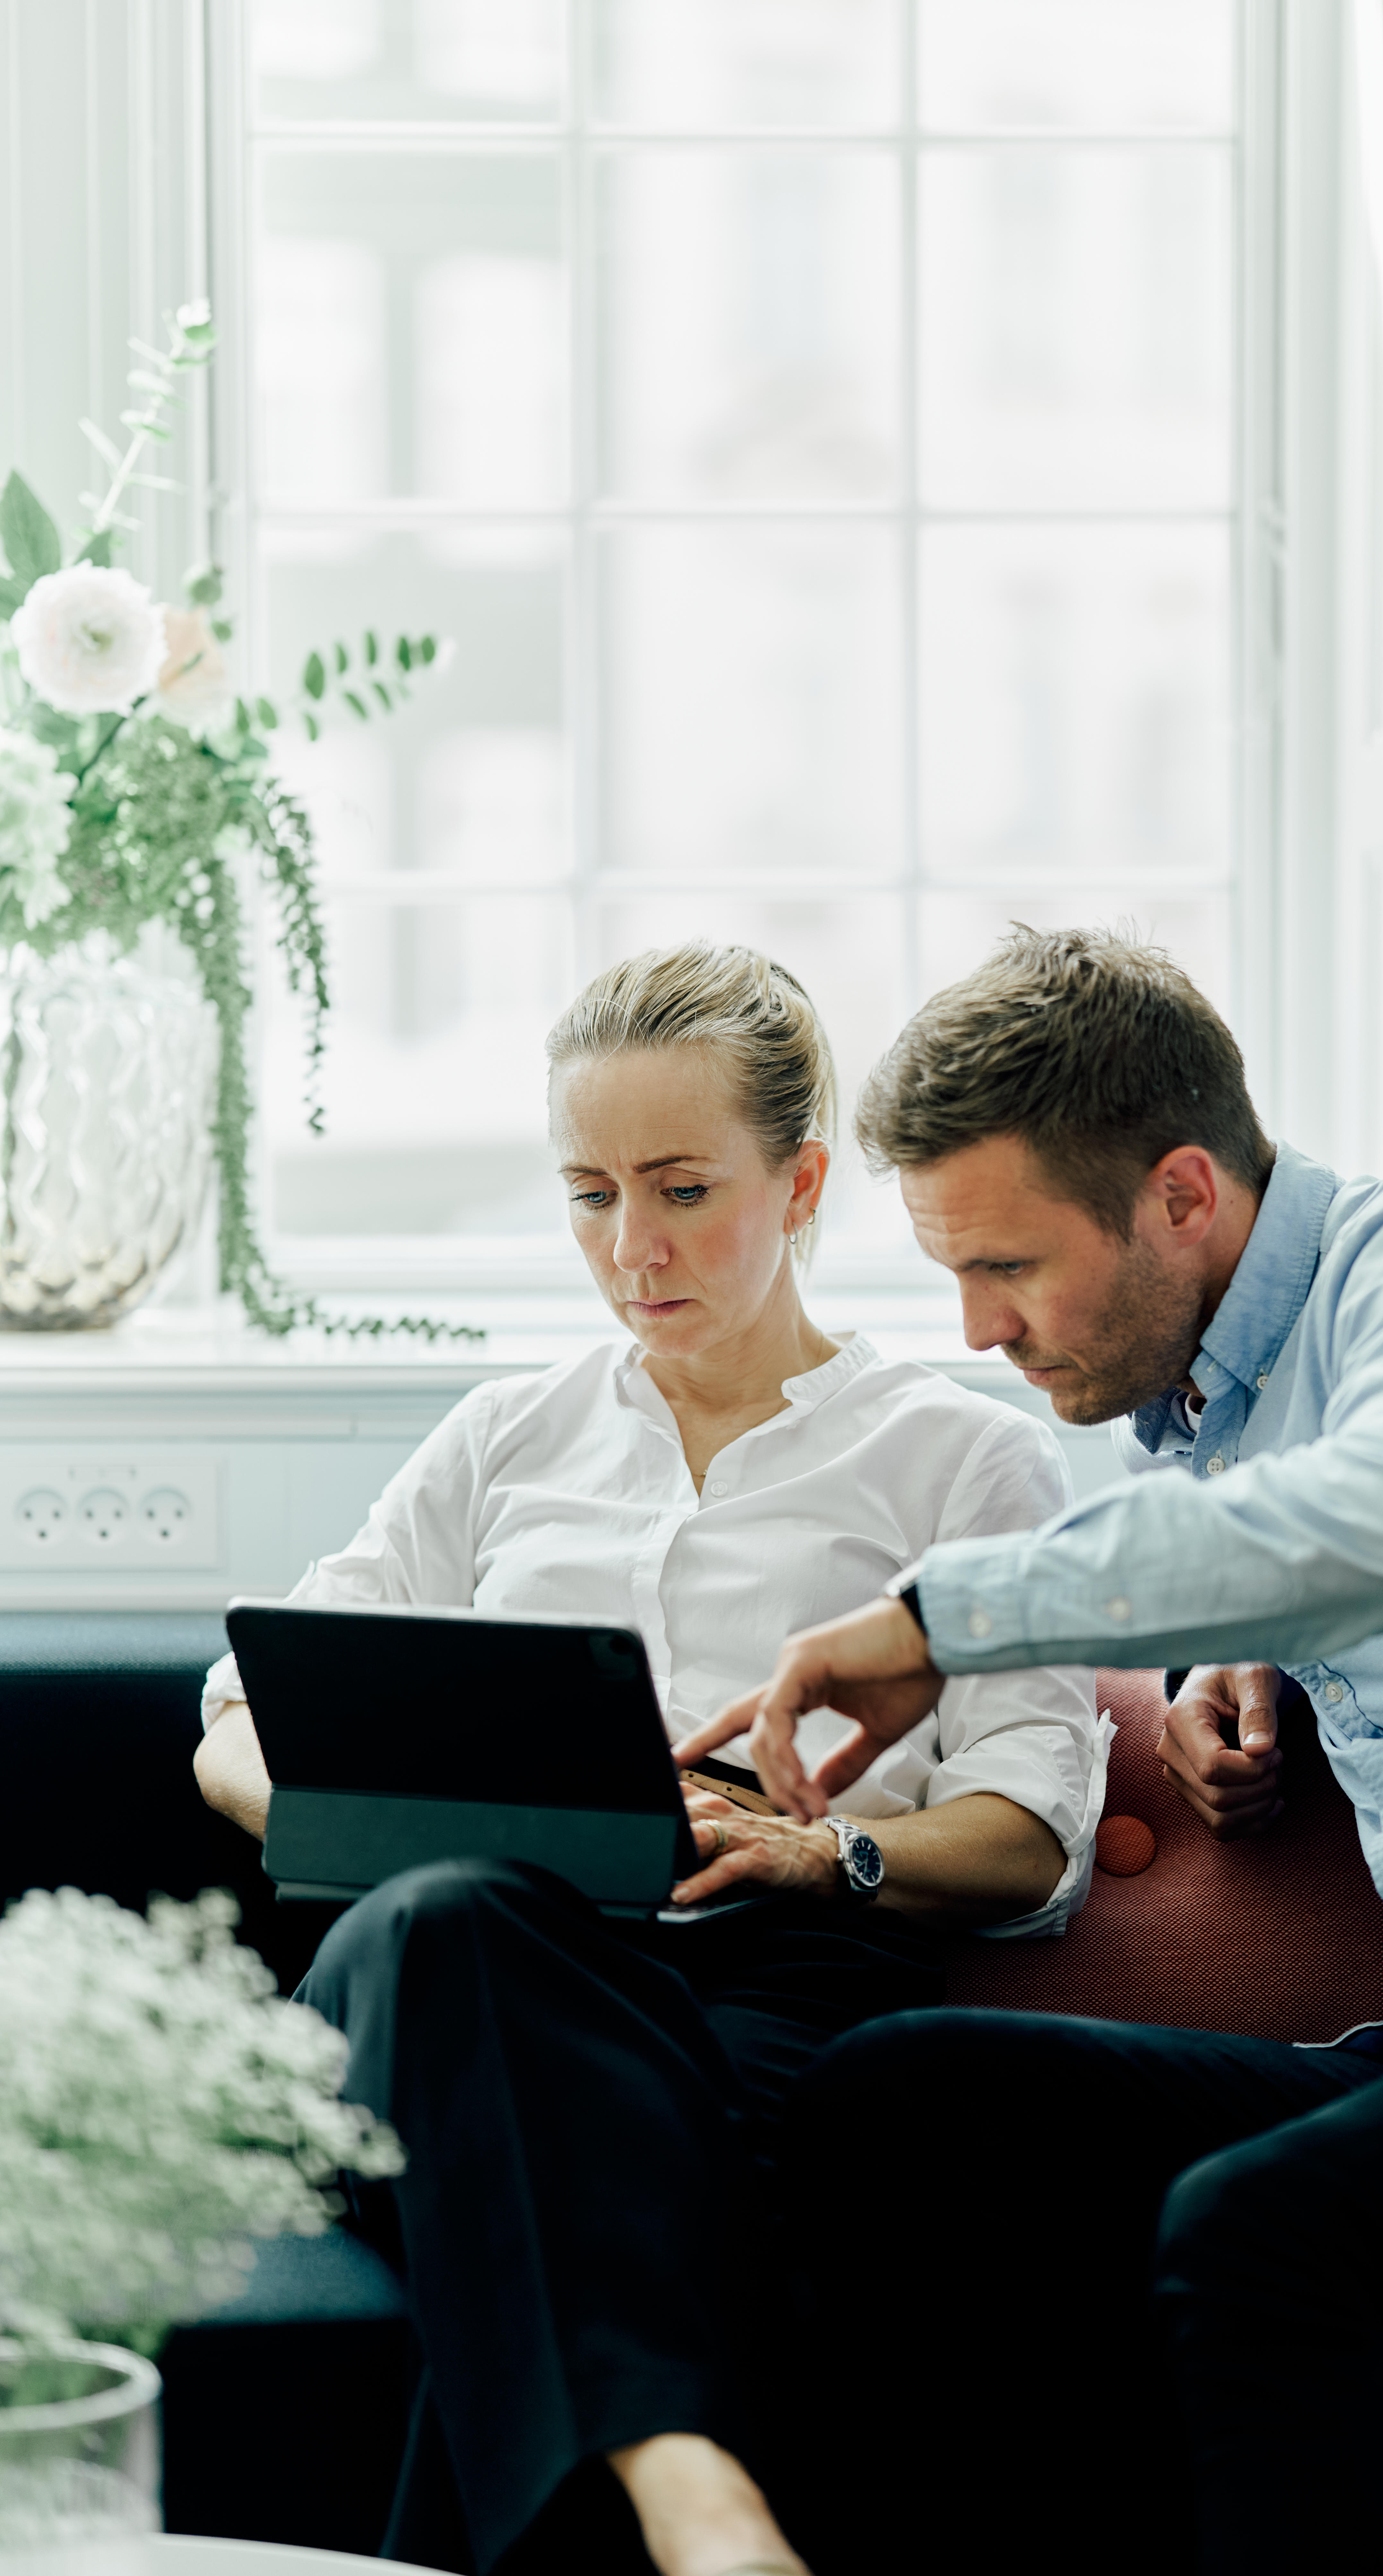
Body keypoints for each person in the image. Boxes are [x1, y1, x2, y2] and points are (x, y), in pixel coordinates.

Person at [679, 924, 1383, 2575]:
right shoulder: (1211, 1421)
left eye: (1010, 1267)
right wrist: (1257, 1660)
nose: (977, 1332)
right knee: (903, 2106)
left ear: (1180, 1194)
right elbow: (1315, 1538)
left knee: (1267, 2234)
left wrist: (942, 1620)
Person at [193, 942, 1102, 2576]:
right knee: (458, 1922)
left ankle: (668, 2477)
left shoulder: (964, 1455)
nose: (633, 1248)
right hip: (460, 1965)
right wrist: (358, 1817)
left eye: (683, 1189)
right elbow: (236, 1714)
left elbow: (1033, 1831)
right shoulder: (506, 1438)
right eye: (591, 1194)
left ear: (804, 1179)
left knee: (592, 2194)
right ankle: (703, 2505)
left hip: (778, 1977)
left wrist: (824, 1851)